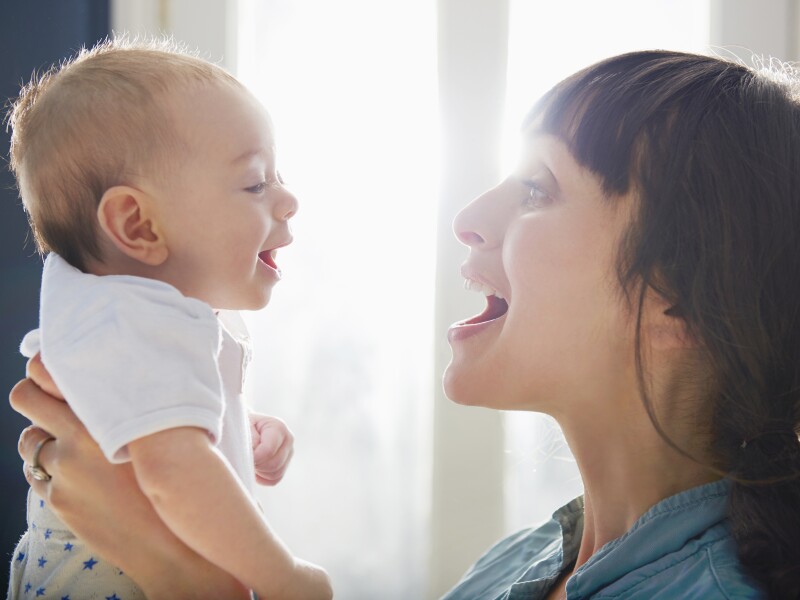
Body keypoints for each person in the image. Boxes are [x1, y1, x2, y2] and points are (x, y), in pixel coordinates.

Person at [10, 49, 800, 598]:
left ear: (685, 302)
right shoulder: (514, 568)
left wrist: (192, 585)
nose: (468, 217)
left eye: (537, 190)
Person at [6, 39, 331, 599]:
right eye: (256, 183)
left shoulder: (127, 321)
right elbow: (171, 472)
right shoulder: (129, 321)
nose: (288, 199)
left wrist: (234, 428)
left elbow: (165, 448)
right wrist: (285, 578)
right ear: (138, 226)